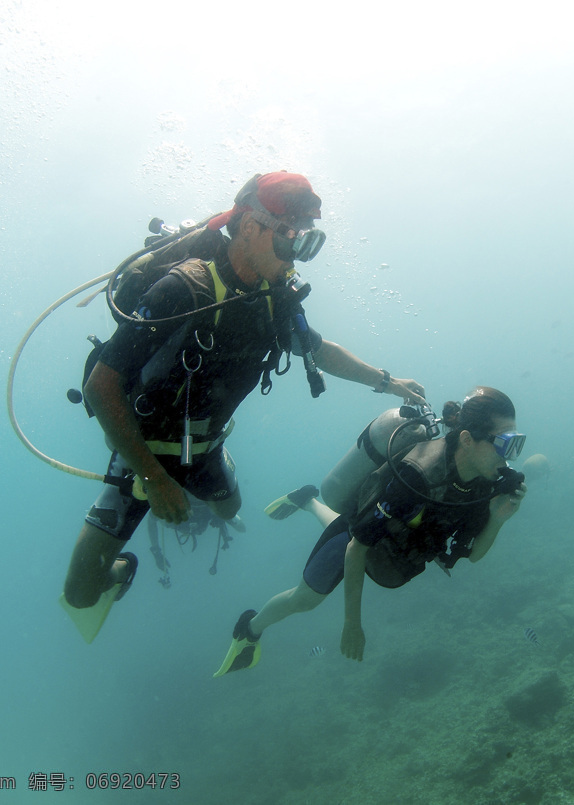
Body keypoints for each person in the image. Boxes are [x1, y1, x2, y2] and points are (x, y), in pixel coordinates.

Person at [60, 171, 425, 641]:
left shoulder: (277, 295)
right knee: (80, 594)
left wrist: (389, 382)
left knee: (229, 510)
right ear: (250, 227)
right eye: (289, 238)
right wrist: (153, 477)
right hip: (140, 451)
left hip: (207, 445)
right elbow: (101, 387)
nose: (296, 255)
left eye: (305, 241)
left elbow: (315, 348)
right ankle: (122, 568)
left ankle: (208, 466)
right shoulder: (182, 289)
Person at [213, 387, 527, 675]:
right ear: (468, 439)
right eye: (504, 443)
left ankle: (307, 501)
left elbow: (472, 556)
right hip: (358, 537)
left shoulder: (485, 485)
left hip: (391, 544)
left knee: (368, 533)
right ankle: (248, 630)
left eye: (517, 442)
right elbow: (358, 546)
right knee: (305, 599)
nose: (510, 457)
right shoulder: (417, 477)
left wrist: (498, 519)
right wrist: (352, 624)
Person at [147, 493, 247, 588]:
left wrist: (157, 553)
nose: (193, 528)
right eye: (197, 531)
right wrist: (225, 516)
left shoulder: (171, 520)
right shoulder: (210, 510)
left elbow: (152, 518)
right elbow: (241, 527)